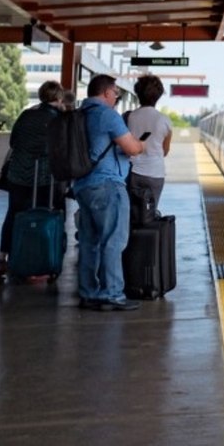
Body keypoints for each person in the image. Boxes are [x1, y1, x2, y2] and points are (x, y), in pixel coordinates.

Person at [73, 74, 147, 311]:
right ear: (106, 92)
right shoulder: (107, 115)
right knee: (114, 240)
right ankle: (113, 294)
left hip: (83, 186)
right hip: (107, 186)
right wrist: (141, 144)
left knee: (88, 241)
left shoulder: (79, 115)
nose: (116, 97)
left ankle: (88, 293)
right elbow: (132, 148)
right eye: (116, 92)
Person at [0, 81, 64, 282]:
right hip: (44, 177)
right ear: (58, 98)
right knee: (44, 216)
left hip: (18, 175)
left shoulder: (26, 114)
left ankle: (2, 259)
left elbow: (14, 142)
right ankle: (42, 260)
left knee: (14, 215)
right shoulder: (57, 119)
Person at [125, 75, 173, 214]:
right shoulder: (164, 120)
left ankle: (131, 235)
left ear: (138, 93)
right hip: (155, 173)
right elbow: (165, 151)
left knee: (131, 213)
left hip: (132, 172)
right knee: (149, 214)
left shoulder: (130, 117)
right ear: (158, 96)